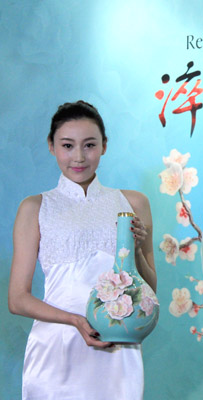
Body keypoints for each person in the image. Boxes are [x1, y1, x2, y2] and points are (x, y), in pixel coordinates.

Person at [8, 101, 156, 400]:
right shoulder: (35, 207)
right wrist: (75, 320)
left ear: (104, 146)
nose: (78, 157)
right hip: (56, 347)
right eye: (67, 145)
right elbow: (17, 299)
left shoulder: (133, 203)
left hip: (117, 345)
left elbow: (150, 291)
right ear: (51, 146)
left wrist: (138, 249)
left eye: (89, 145)